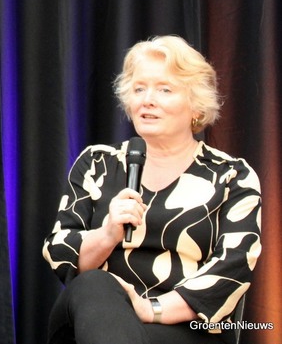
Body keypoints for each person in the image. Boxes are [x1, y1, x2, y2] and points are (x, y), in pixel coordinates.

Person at [43, 35, 261, 344]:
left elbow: (234, 267)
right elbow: (60, 253)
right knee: (95, 284)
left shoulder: (231, 176)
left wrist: (151, 308)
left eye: (165, 89)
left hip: (186, 327)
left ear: (196, 105)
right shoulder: (97, 163)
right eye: (139, 89)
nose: (147, 100)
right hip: (91, 315)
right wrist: (107, 234)